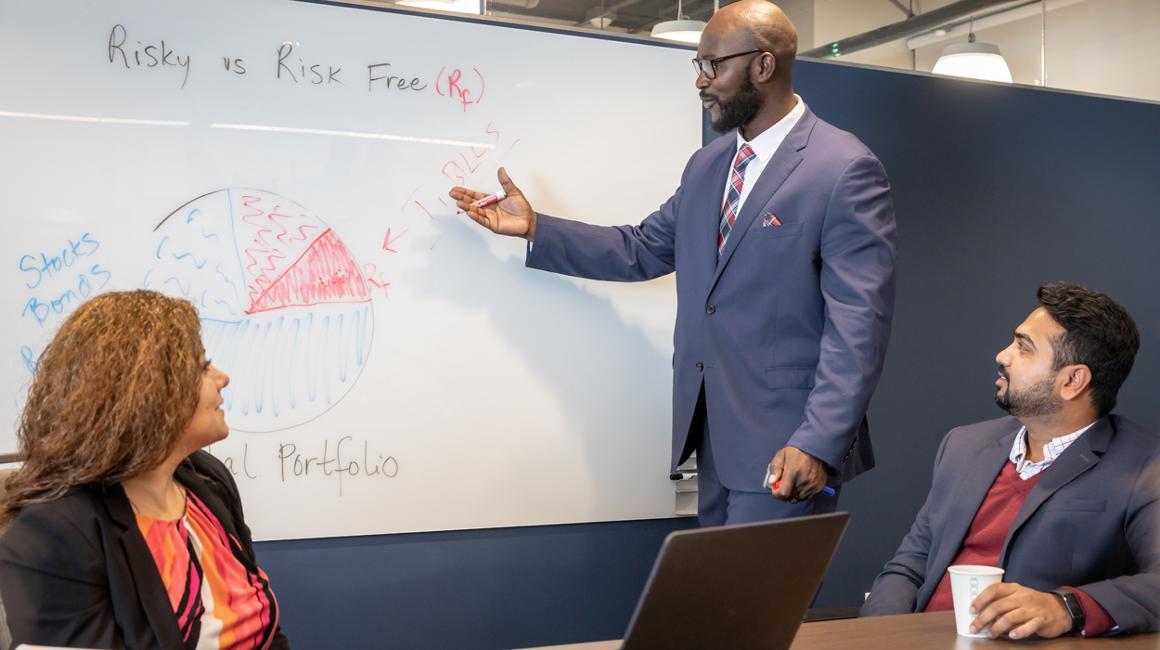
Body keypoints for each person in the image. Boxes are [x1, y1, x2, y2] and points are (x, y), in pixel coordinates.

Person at [449, 0, 896, 525]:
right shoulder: (708, 166)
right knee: (721, 606)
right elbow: (641, 248)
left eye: (713, 65)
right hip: (712, 439)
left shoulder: (843, 168)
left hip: (789, 447)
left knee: (759, 605)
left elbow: (859, 326)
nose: (701, 82)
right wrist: (534, 227)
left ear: (763, 66)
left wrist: (818, 443)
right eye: (697, 66)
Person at [861, 283, 1159, 638]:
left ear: (1073, 381)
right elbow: (909, 566)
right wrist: (881, 634)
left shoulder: (1144, 466)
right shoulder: (963, 445)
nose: (1003, 355)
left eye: (1023, 347)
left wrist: (1066, 608)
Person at [0, 290, 289, 649]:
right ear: (147, 391)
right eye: (202, 367)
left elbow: (265, 627)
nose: (222, 377)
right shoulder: (51, 536)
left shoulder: (208, 480)